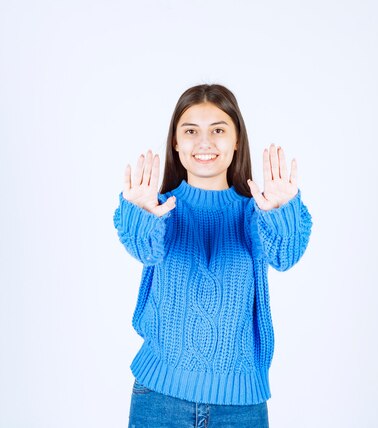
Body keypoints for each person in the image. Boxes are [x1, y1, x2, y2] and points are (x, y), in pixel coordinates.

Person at [113, 84, 313, 427]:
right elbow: (145, 248)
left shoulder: (256, 213)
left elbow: (285, 255)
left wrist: (282, 212)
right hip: (160, 400)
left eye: (218, 130)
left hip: (240, 408)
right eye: (191, 131)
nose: (204, 142)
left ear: (237, 140)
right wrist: (141, 214)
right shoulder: (160, 209)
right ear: (176, 142)